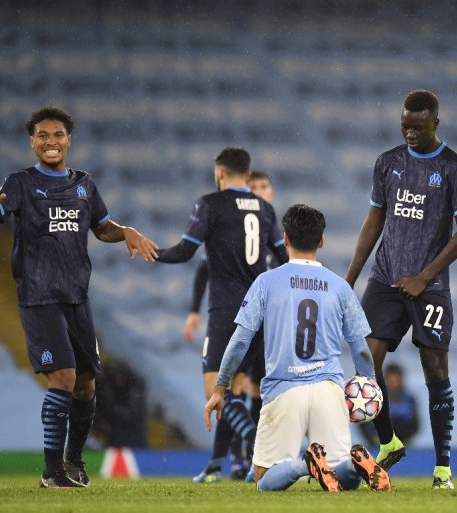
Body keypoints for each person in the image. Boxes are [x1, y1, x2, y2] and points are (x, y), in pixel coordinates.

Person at [0, 105, 159, 488]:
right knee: (62, 376)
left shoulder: (84, 184)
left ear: (69, 140)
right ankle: (51, 471)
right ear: (32, 142)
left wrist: (126, 231)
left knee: (86, 384)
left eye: (57, 135)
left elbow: (101, 227)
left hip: (77, 297)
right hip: (39, 296)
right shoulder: (21, 182)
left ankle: (74, 461)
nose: (51, 142)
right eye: (42, 135)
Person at [204, 204, 391, 492]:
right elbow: (362, 350)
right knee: (341, 473)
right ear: (322, 240)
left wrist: (220, 387)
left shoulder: (266, 282)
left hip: (284, 389)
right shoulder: (340, 287)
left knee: (263, 479)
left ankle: (306, 465)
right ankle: (356, 464)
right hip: (329, 390)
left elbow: (240, 340)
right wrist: (370, 385)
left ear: (285, 238)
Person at [345, 89, 457, 489]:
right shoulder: (387, 162)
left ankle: (443, 469)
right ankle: (388, 442)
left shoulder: (455, 168)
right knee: (366, 360)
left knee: (435, 370)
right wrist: (349, 279)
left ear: (435, 123)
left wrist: (424, 276)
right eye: (405, 126)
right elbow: (374, 222)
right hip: (386, 277)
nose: (410, 134)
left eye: (418, 127)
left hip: (430, 286)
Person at [155, 148, 287, 483]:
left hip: (227, 310)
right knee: (238, 389)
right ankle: (221, 464)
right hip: (260, 311)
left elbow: (185, 252)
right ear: (248, 174)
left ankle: (259, 446)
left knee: (215, 392)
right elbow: (285, 258)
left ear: (220, 172)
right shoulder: (265, 209)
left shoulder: (210, 204)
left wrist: (151, 251)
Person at [182, 169, 278, 480]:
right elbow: (204, 268)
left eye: (263, 186)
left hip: (266, 325)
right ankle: (238, 458)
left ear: (271, 192)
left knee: (257, 392)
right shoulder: (237, 234)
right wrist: (194, 310)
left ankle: (249, 459)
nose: (259, 191)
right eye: (254, 186)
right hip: (239, 319)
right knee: (234, 390)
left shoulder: (274, 234)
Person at [359, 363, 419, 446]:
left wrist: (401, 436)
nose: (393, 384)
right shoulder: (374, 399)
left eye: (396, 381)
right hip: (378, 445)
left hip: (404, 444)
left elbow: (415, 424)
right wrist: (373, 442)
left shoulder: (409, 399)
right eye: (391, 380)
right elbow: (363, 424)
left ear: (401, 380)